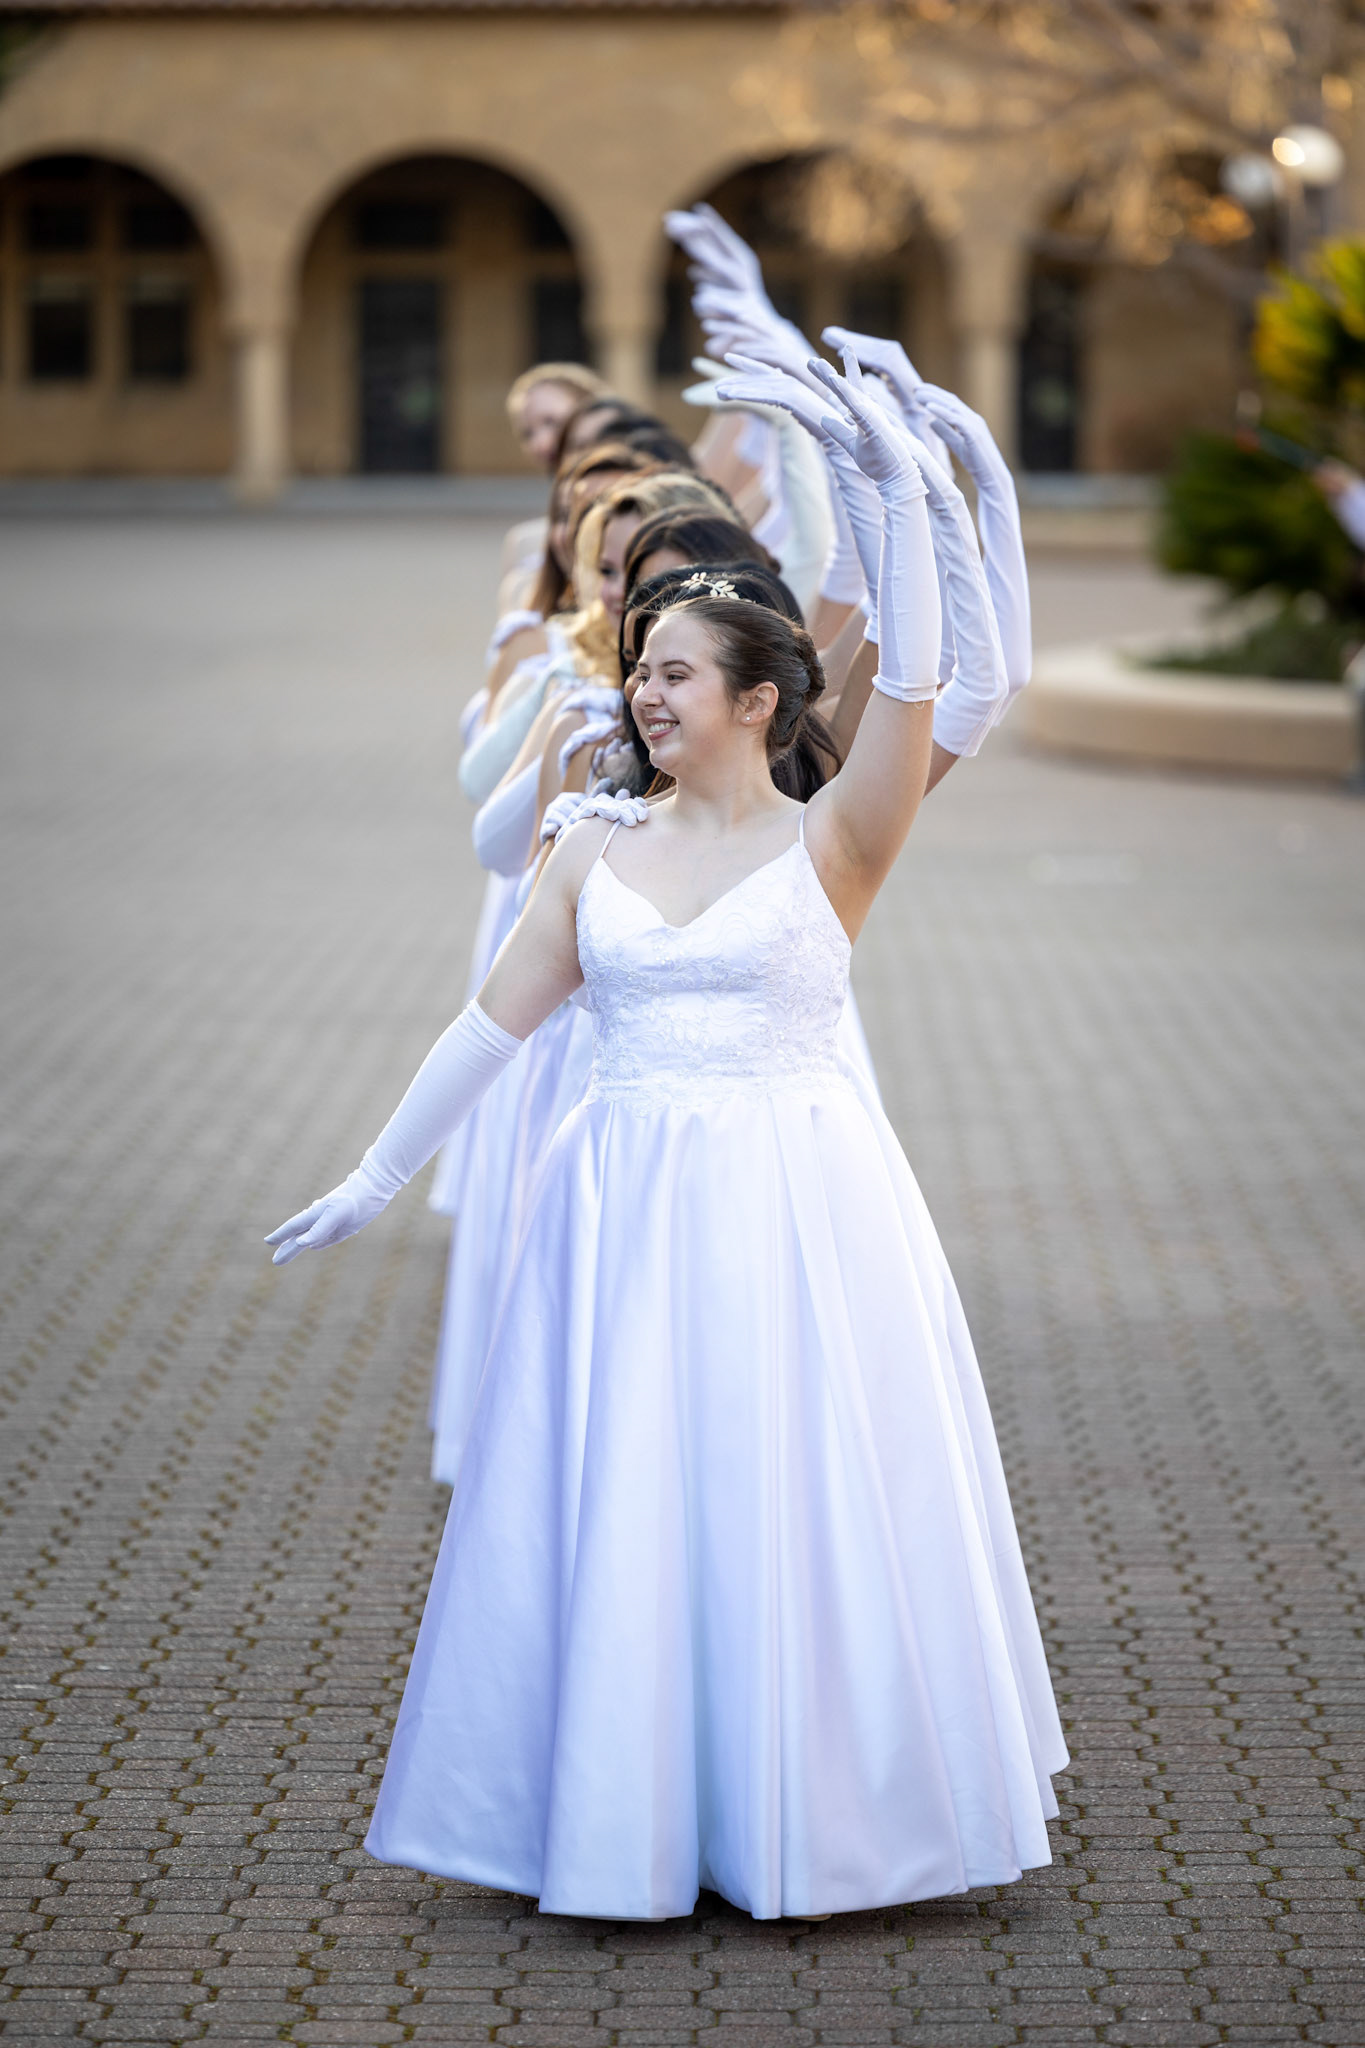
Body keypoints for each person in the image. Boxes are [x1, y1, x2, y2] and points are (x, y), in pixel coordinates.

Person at [266, 355, 1065, 1922]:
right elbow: (488, 1027)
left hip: (793, 1202)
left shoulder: (838, 838)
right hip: (617, 1205)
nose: (644, 691)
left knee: (787, 1491)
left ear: (757, 701)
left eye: (677, 673)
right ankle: (615, 1809)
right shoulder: (590, 846)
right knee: (627, 1495)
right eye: (641, 668)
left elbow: (940, 677)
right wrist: (373, 1174)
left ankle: (812, 1814)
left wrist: (905, 481)